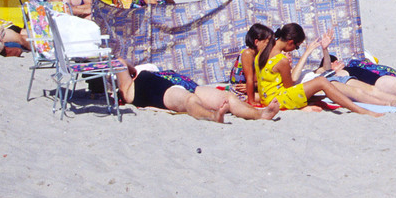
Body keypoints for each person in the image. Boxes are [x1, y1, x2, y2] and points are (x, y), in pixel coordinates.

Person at [248, 23, 384, 116]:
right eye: (296, 47)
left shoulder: (262, 51)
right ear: (290, 42)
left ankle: (307, 105)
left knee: (321, 89)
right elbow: (288, 87)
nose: (295, 50)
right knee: (322, 82)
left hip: (266, 99)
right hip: (279, 99)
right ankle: (359, 110)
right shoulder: (281, 60)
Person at [116, 66, 280, 123]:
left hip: (181, 82)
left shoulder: (140, 72)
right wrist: (132, 71)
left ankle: (260, 114)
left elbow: (131, 68)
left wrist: (134, 70)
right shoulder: (129, 87)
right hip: (159, 90)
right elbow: (123, 64)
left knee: (227, 97)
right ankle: (212, 116)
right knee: (190, 100)